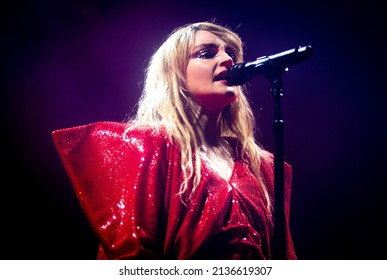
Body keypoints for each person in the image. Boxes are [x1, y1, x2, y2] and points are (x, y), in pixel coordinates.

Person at [52, 21, 297, 260]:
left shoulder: (262, 166)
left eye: (230, 53)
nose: (228, 60)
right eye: (206, 53)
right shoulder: (143, 147)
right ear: (176, 75)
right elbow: (131, 257)